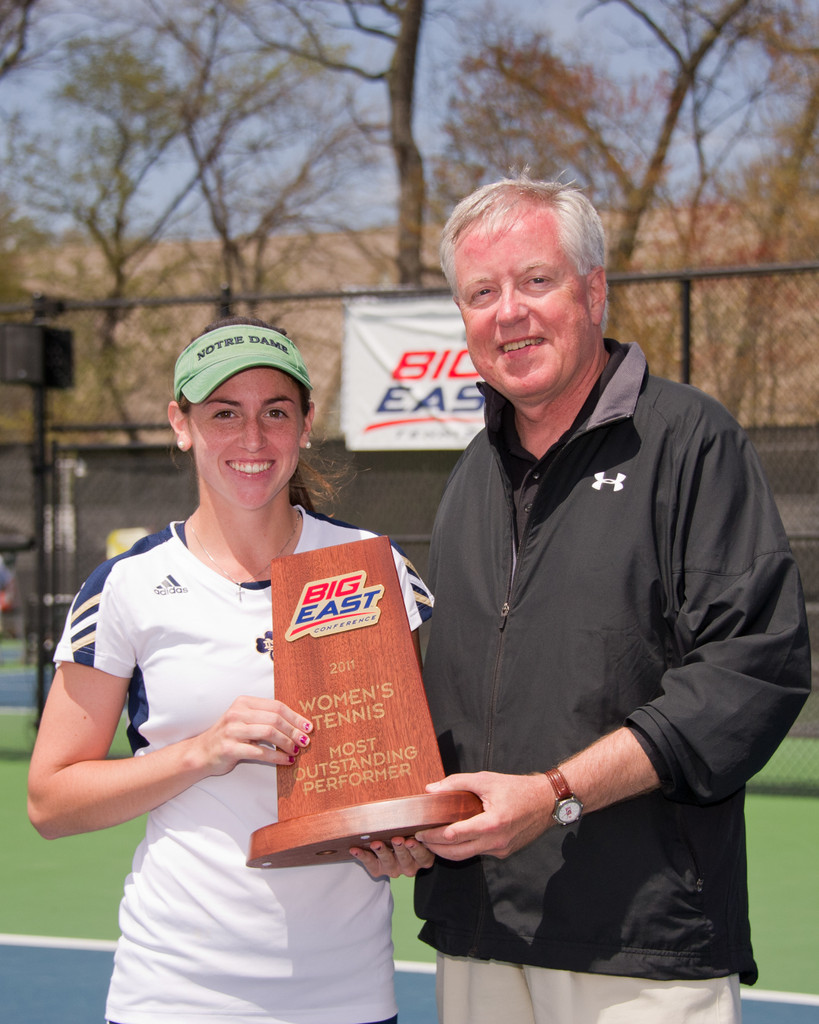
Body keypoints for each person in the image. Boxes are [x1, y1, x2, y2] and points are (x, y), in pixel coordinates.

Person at [412, 176, 811, 1024]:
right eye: (481, 293)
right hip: (476, 930)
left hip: (639, 948)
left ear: (592, 290)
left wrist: (556, 793)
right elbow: (442, 686)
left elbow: (751, 670)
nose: (507, 313)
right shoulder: (466, 480)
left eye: (534, 281)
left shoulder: (689, 441)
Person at [27, 316, 434, 1024]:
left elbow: (425, 759)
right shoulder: (127, 585)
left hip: (346, 991)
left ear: (306, 424)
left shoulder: (374, 568)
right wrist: (202, 752)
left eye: (274, 412)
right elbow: (51, 802)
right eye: (223, 413)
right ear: (180, 425)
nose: (252, 440)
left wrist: (411, 836)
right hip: (177, 991)